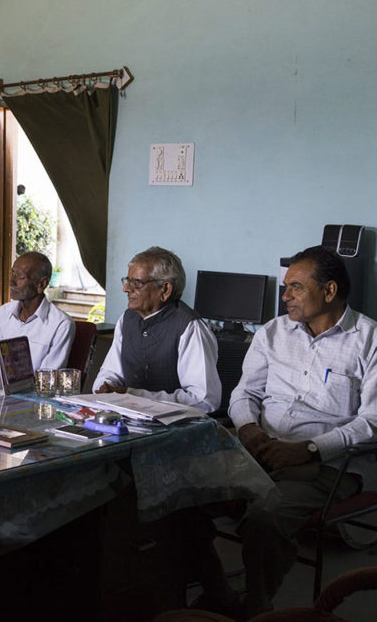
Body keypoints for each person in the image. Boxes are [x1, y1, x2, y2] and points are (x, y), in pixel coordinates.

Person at [221, 245, 377, 616]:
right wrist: (248, 428)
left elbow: (372, 422)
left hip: (328, 464)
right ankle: (214, 586)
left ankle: (255, 608)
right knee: (178, 493)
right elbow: (245, 392)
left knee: (265, 518)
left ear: (329, 291)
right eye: (285, 286)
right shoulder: (274, 332)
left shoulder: (369, 340)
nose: (285, 296)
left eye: (296, 287)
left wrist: (309, 449)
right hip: (261, 448)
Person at [92, 246, 221, 413]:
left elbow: (204, 400)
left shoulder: (190, 328)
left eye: (137, 283)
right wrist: (106, 388)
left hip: (174, 428)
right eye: (127, 280)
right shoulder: (127, 319)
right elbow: (111, 372)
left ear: (165, 290)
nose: (126, 289)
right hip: (127, 418)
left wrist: (134, 396)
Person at [0, 251, 75, 378]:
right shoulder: (3, 313)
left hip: (31, 395)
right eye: (12, 273)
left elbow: (45, 381)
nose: (11, 282)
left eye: (21, 277)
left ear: (41, 284)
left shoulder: (61, 324)